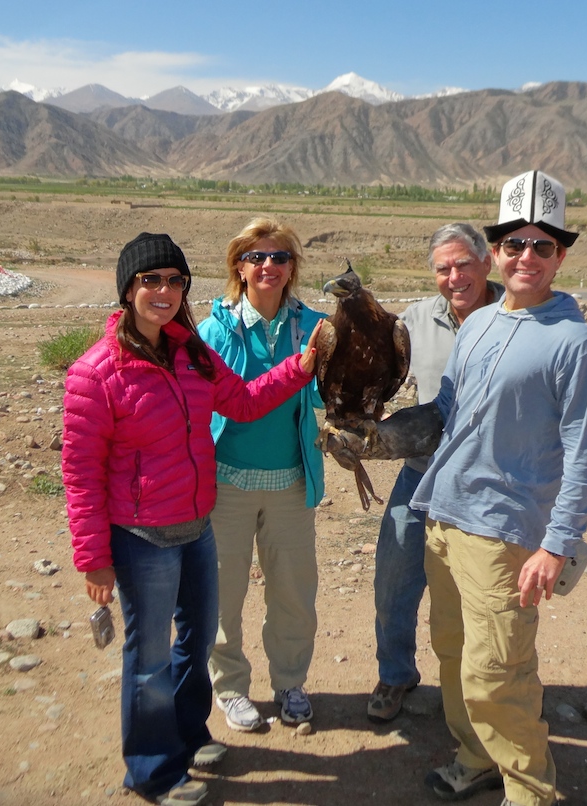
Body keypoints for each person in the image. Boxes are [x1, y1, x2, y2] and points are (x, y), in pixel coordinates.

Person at [325, 170, 587, 806]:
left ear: (561, 256)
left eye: (542, 245)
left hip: (503, 532)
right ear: (498, 252)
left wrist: (557, 544)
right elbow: (442, 415)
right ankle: (477, 757)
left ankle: (531, 791)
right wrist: (375, 439)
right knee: (453, 653)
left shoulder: (575, 343)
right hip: (443, 517)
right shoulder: (479, 326)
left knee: (498, 674)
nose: (527, 256)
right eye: (515, 243)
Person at [62, 232, 320, 806]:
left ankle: (186, 733)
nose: (164, 291)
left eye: (174, 281)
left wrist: (300, 368)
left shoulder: (193, 354)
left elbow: (243, 402)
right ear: (127, 289)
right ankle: (152, 771)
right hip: (142, 538)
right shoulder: (96, 372)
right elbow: (80, 474)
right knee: (149, 657)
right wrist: (94, 558)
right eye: (150, 280)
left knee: (197, 641)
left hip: (198, 527)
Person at [368, 223, 504, 723]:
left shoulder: (515, 316)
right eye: (443, 269)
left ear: (486, 261)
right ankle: (395, 674)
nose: (454, 277)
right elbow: (381, 375)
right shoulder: (414, 321)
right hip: (420, 475)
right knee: (393, 581)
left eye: (463, 264)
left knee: (479, 595)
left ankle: (477, 692)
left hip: (488, 483)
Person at [198, 217, 327, 731]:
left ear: (292, 267)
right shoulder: (213, 331)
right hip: (224, 483)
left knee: (293, 592)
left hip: (290, 481)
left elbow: (328, 395)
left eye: (280, 257)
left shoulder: (315, 328)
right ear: (239, 267)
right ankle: (230, 688)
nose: (269, 265)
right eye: (257, 257)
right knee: (222, 595)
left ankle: (290, 682)